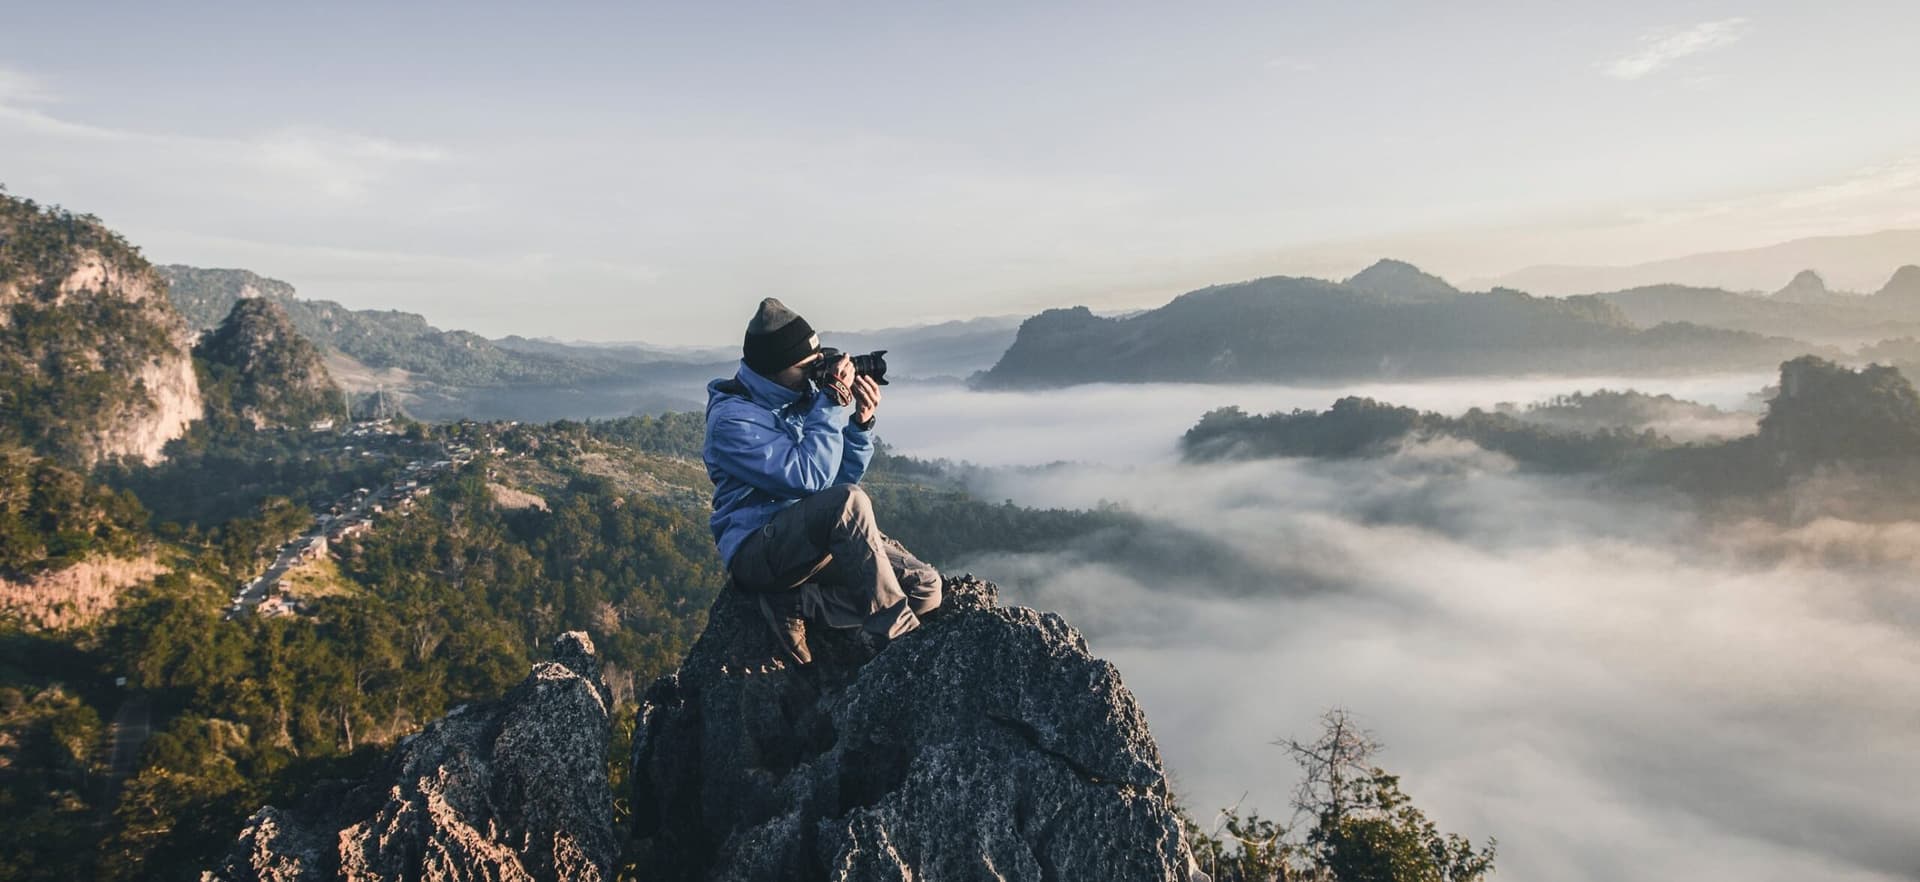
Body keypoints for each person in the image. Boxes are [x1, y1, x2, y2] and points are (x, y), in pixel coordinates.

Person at [703, 297, 943, 666]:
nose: (816, 374)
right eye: (807, 367)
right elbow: (810, 480)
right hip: (758, 550)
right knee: (850, 501)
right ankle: (898, 644)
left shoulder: (799, 398)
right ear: (774, 368)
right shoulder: (732, 422)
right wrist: (829, 402)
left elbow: (835, 484)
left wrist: (860, 426)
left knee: (925, 588)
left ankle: (801, 603)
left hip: (808, 542)